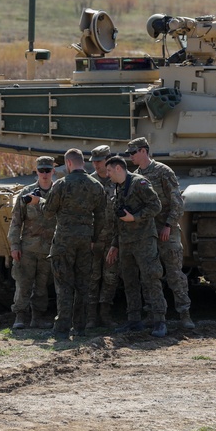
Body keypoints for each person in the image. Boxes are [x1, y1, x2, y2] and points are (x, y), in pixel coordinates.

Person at [38, 148, 107, 340]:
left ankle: (62, 329)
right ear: (82, 162)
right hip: (85, 241)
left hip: (64, 241)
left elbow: (48, 212)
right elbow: (102, 217)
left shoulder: (61, 185)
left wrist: (39, 201)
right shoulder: (96, 186)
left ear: (68, 163)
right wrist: (93, 238)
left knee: (64, 285)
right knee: (83, 286)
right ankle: (80, 328)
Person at [126, 136, 194, 330]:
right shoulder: (135, 177)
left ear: (143, 151)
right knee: (148, 274)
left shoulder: (163, 171)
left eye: (133, 152)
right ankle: (153, 313)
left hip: (166, 230)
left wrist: (169, 225)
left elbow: (177, 202)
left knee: (174, 273)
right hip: (147, 232)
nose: (130, 156)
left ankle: (184, 314)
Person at [104, 155, 168, 338]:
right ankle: (134, 320)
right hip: (126, 242)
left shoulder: (139, 183)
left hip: (144, 240)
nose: (107, 174)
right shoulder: (119, 187)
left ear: (118, 169)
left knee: (151, 278)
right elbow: (119, 220)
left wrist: (135, 217)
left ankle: (159, 321)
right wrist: (115, 244)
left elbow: (156, 206)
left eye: (109, 170)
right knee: (129, 281)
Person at [7, 156, 58, 329]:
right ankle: (20, 317)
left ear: (53, 171)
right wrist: (14, 245)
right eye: (41, 170)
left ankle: (38, 317)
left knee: (42, 286)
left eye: (47, 170)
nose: (44, 174)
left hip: (48, 248)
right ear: (36, 171)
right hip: (28, 247)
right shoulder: (26, 193)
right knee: (23, 283)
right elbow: (16, 222)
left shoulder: (57, 192)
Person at [86, 144, 120, 329]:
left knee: (111, 277)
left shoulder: (118, 180)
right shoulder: (89, 182)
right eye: (94, 162)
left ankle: (105, 314)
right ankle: (91, 317)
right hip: (93, 239)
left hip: (113, 239)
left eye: (99, 161)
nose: (96, 165)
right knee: (92, 277)